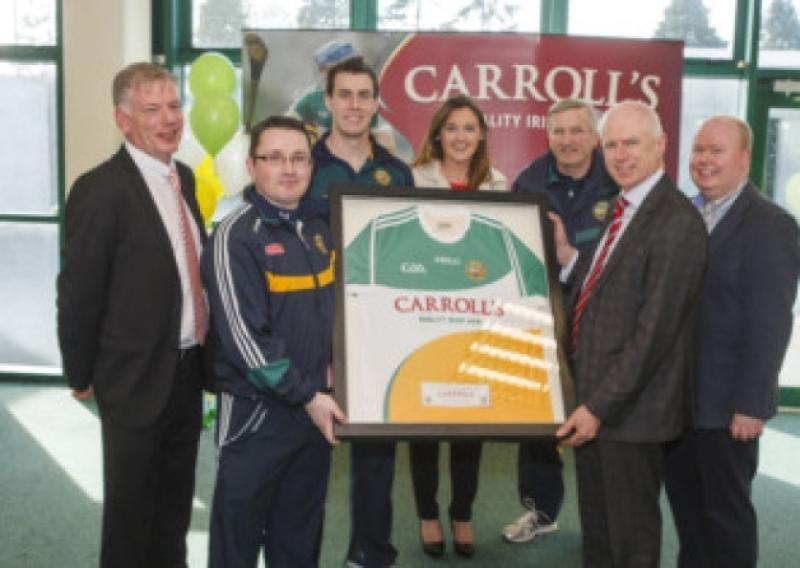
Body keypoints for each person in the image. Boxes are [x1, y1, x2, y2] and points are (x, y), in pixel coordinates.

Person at [56, 62, 207, 568]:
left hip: (186, 376)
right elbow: (78, 295)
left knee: (172, 512)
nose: (168, 120)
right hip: (132, 381)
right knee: (129, 520)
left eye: (173, 106)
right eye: (151, 110)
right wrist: (79, 375)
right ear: (123, 120)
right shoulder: (100, 190)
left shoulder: (181, 177)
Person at [552, 100, 707, 567]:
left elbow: (652, 334)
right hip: (597, 408)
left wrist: (598, 407)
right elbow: (603, 292)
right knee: (599, 535)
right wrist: (566, 256)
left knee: (631, 541)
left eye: (632, 143)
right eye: (613, 145)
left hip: (629, 415)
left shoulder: (676, 221)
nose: (621, 154)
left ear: (660, 145)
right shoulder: (622, 208)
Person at [202, 116, 346, 567]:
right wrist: (307, 395)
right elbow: (247, 343)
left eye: (299, 157)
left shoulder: (321, 228)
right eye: (274, 158)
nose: (289, 168)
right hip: (255, 420)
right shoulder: (235, 237)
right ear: (251, 165)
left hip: (312, 417)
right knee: (237, 549)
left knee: (299, 542)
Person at [665, 116, 800, 568]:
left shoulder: (770, 225)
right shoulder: (686, 212)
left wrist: (751, 404)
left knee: (725, 518)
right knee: (687, 513)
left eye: (716, 151)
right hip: (679, 404)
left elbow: (770, 324)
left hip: (728, 409)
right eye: (699, 150)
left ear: (744, 158)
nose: (704, 160)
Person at [305, 56, 413, 568]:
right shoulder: (302, 166)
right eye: (343, 95)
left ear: (375, 103)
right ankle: (297, 553)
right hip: (312, 326)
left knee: (375, 457)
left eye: (363, 96)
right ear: (328, 101)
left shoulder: (396, 172)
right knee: (307, 454)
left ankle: (371, 553)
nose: (353, 105)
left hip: (375, 331)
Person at [504, 98, 618, 544]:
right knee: (538, 425)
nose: (567, 141)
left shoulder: (617, 180)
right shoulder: (529, 182)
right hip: (540, 322)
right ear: (547, 136)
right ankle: (540, 511)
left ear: (594, 136)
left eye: (577, 131)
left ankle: (602, 520)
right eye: (558, 132)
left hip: (603, 325)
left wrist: (572, 256)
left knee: (599, 422)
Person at [407, 94, 506, 559]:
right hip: (423, 317)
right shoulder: (414, 179)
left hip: (476, 323)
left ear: (481, 134)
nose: (461, 137)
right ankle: (428, 514)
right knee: (423, 425)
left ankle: (461, 513)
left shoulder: (500, 185)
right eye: (452, 128)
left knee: (471, 424)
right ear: (438, 135)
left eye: (470, 128)